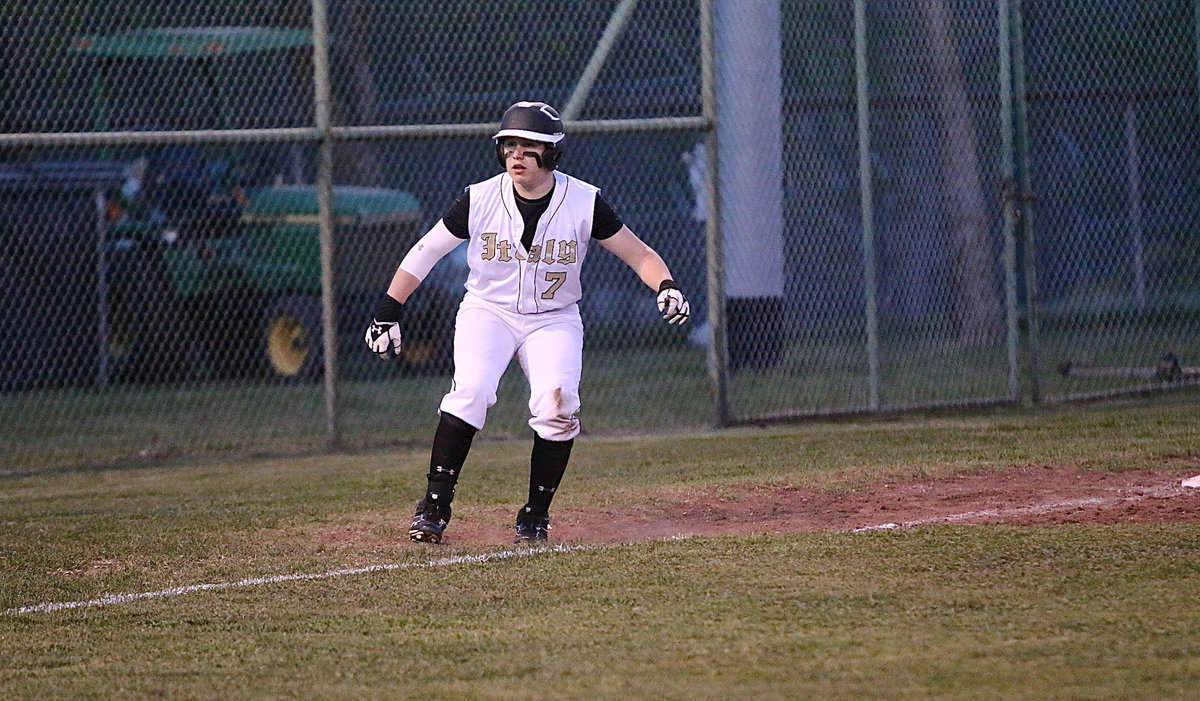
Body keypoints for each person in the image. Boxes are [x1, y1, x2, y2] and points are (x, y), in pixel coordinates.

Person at [366, 101, 690, 544]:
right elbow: (425, 252)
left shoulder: (584, 200)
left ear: (553, 153)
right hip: (488, 311)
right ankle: (435, 507)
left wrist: (666, 285)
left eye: (530, 146)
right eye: (510, 145)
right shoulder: (479, 197)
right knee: (471, 392)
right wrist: (389, 310)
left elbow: (640, 254)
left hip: (553, 319)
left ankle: (535, 514)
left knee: (558, 407)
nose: (517, 154)